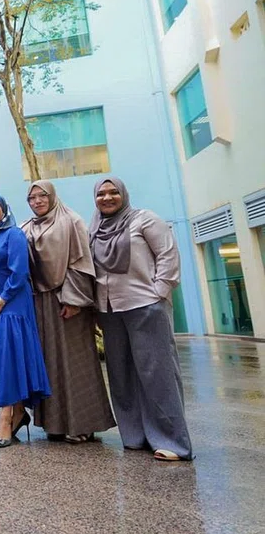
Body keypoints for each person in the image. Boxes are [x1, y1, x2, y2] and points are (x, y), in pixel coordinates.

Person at [90, 177, 192, 461]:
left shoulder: (144, 219)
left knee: (157, 373)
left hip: (144, 304)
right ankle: (135, 436)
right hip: (109, 310)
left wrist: (159, 292)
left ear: (124, 193)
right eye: (101, 194)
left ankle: (172, 441)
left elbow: (168, 254)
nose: (107, 198)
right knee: (121, 376)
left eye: (113, 192)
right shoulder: (95, 227)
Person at [21, 181, 115, 443]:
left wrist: (74, 300)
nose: (38, 201)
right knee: (49, 361)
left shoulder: (70, 221)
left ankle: (83, 423)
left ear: (52, 197)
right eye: (32, 197)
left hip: (67, 301)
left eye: (43, 196)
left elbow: (80, 261)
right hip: (40, 302)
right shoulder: (27, 226)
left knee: (75, 362)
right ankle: (55, 423)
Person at [0, 193, 51, 448]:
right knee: (4, 360)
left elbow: (19, 273)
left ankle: (6, 417)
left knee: (9, 357)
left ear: (4, 209)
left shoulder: (14, 234)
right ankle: (18, 411)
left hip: (12, 303)